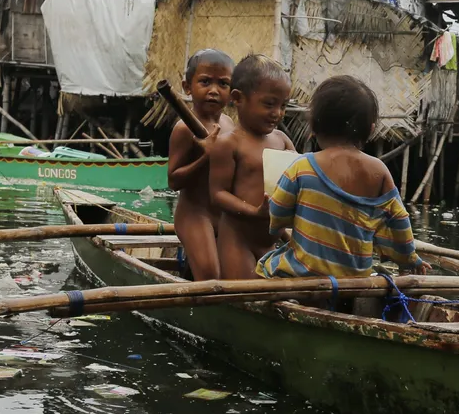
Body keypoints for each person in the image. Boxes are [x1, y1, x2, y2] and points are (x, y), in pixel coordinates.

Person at [257, 75, 429, 279]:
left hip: (304, 275)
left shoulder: (302, 166)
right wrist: (409, 259)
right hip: (357, 280)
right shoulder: (380, 171)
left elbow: (277, 215)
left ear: (313, 126)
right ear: (371, 129)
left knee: (265, 264)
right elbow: (398, 223)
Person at [209, 54, 297, 279]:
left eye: (283, 105)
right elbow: (218, 194)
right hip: (239, 241)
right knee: (246, 294)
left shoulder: (283, 141)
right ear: (238, 99)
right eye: (269, 104)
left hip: (273, 238)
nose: (277, 113)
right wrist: (254, 212)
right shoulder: (229, 142)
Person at [168, 49, 234, 281]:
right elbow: (173, 180)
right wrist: (205, 156)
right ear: (187, 87)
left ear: (232, 92)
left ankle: (187, 273)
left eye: (223, 84)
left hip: (223, 214)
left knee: (235, 274)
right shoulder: (184, 128)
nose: (214, 90)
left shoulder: (229, 124)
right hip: (194, 214)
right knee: (210, 275)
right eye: (205, 82)